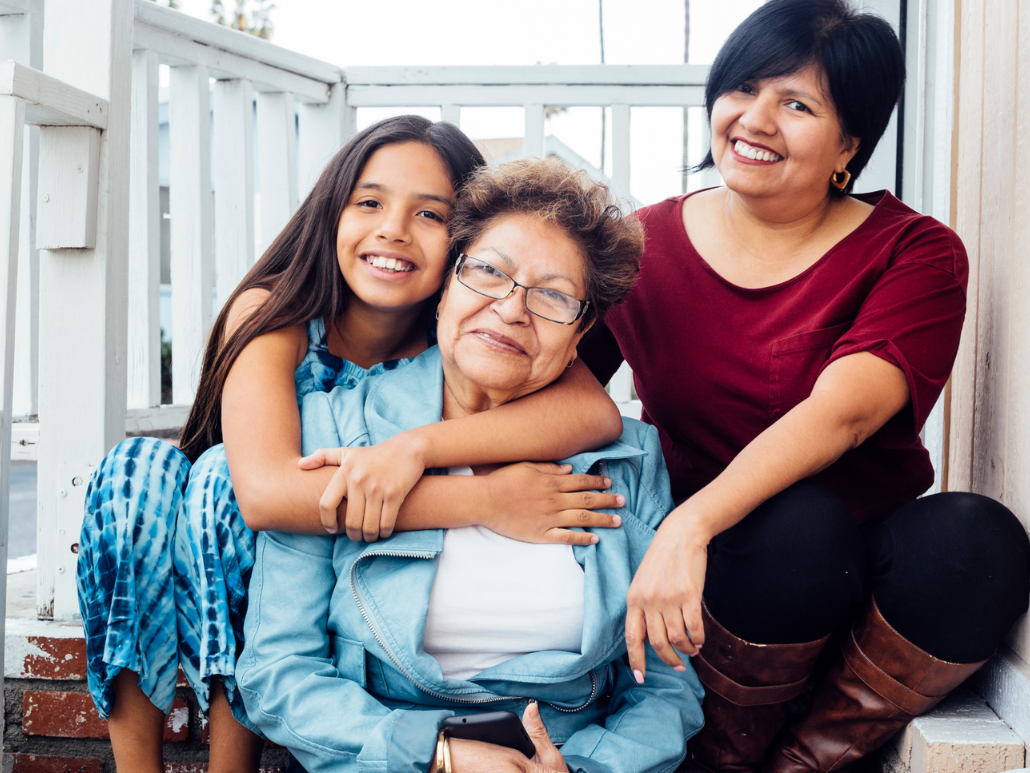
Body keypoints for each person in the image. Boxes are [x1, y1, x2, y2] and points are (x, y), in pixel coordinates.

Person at [77, 117, 629, 773]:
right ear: (331, 211)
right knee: (158, 472)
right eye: (369, 202)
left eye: (429, 213)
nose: (394, 227)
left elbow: (594, 410)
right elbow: (267, 493)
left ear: (462, 248)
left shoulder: (460, 328)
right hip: (220, 537)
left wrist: (416, 447)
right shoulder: (274, 312)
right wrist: (483, 498)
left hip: (323, 570)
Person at [578, 1, 1030, 771]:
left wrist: (692, 524)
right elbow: (555, 388)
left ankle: (809, 760)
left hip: (860, 578)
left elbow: (845, 415)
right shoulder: (640, 245)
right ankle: (718, 748)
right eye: (744, 88)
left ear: (849, 143)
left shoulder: (914, 252)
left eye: (796, 104)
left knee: (976, 542)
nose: (755, 120)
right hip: (722, 592)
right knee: (793, 529)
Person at [237, 156, 703, 773]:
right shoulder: (338, 429)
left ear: (581, 331)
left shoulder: (629, 463)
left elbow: (666, 690)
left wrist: (588, 768)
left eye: (553, 297)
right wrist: (435, 754)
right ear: (445, 286)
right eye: (488, 272)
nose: (513, 310)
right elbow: (279, 671)